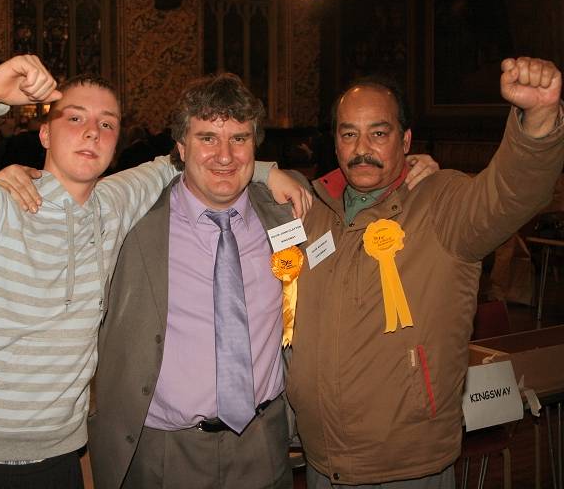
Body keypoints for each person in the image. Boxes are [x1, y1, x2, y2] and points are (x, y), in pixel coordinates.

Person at [0, 55, 306, 488]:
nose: (92, 130)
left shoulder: (118, 204)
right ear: (44, 132)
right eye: (75, 117)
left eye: (107, 123)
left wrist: (263, 169)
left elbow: (201, 162)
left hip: (57, 455)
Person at [79, 73, 438, 489]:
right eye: (207, 137)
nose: (225, 155)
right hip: (163, 451)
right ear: (180, 146)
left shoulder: (290, 209)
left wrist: (412, 173)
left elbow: (362, 194)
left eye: (240, 138)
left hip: (263, 444)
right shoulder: (134, 222)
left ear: (256, 145)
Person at [286, 56, 564, 488]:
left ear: (406, 140)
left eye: (379, 133)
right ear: (335, 143)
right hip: (322, 461)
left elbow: (511, 193)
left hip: (407, 467)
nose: (362, 148)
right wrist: (268, 171)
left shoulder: (441, 204)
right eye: (349, 134)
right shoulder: (312, 211)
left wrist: (540, 117)